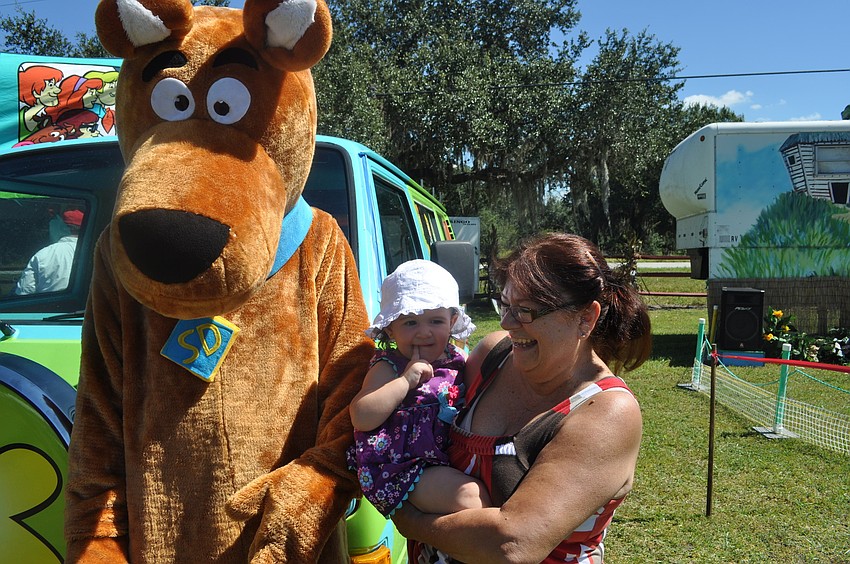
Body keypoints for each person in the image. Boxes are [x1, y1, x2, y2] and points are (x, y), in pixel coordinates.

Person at [393, 233, 652, 564]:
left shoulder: (607, 412)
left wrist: (413, 523)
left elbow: (513, 544)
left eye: (526, 311)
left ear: (586, 318)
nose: (506, 322)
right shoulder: (493, 355)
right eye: (506, 305)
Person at [348, 259, 492, 518]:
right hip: (406, 467)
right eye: (410, 323)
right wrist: (405, 381)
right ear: (391, 329)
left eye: (436, 321)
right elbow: (361, 416)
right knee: (471, 498)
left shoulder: (457, 360)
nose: (424, 332)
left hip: (451, 455)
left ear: (452, 321)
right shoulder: (389, 366)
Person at [15, 209, 83, 295]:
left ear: (61, 227)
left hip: (49, 303)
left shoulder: (43, 254)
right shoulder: (94, 253)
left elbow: (24, 292)